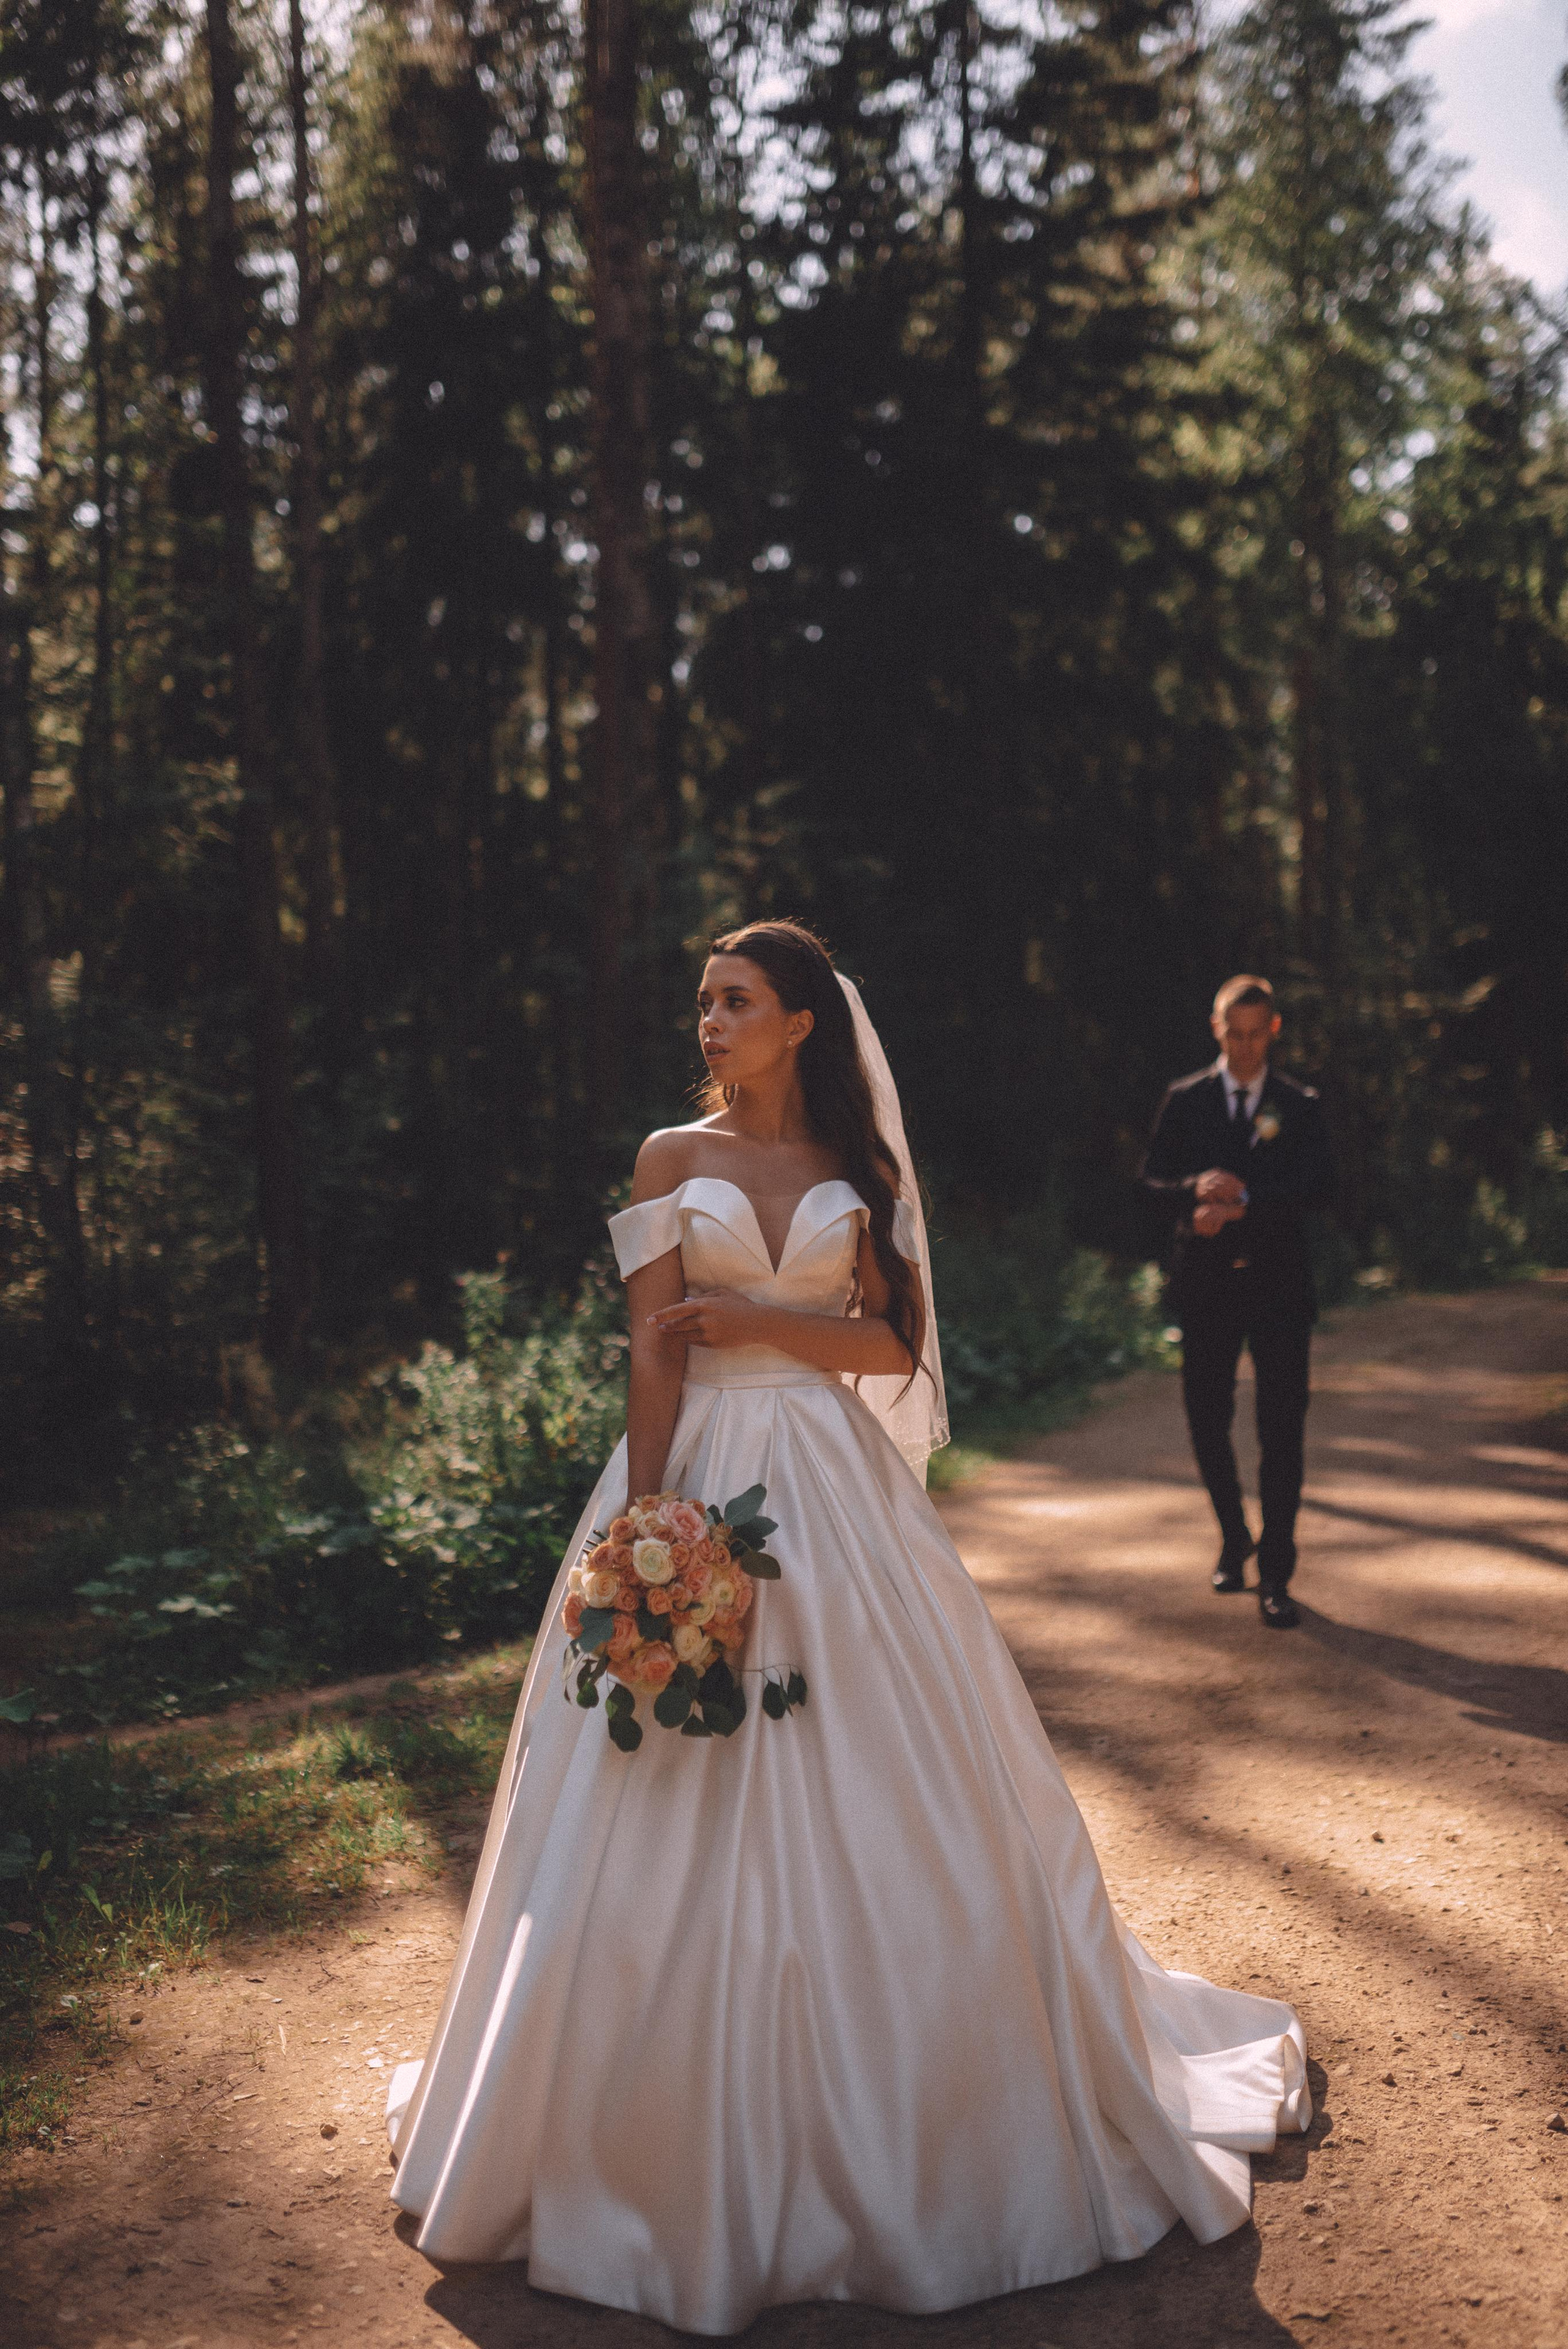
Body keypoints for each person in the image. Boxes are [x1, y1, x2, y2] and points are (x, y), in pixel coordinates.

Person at [384, 921, 1309, 2334]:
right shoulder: (663, 1157)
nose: (708, 1021)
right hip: (693, 1468)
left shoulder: (851, 1170)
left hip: (829, 1488)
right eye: (700, 1000)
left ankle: (914, 2126)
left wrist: (761, 1313)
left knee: (893, 1778)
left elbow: (890, 1343)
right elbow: (649, 1343)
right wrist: (645, 1529)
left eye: (735, 1000)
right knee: (651, 1779)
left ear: (802, 1019)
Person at [1137, 975, 1336, 1630]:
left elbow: (1320, 1187)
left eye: (1257, 1034)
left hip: (1279, 1286)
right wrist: (1194, 1195)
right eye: (1234, 1033)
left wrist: (1247, 1203)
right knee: (1206, 1419)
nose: (1246, 1047)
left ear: (1272, 1030)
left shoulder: (1299, 1104)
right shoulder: (1185, 1099)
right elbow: (1149, 1186)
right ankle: (1233, 1536)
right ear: (1216, 1028)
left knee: (1282, 1429)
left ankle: (1276, 1570)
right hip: (1206, 1286)